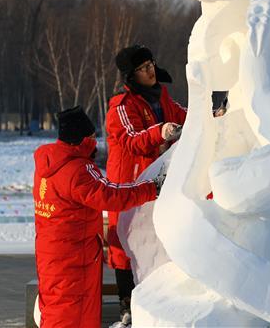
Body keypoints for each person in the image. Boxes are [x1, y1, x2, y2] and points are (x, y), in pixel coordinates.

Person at [33, 106, 163, 328]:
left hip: (51, 255)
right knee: (74, 314)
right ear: (82, 138)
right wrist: (151, 188)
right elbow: (111, 195)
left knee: (57, 309)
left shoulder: (47, 165)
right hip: (75, 259)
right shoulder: (78, 169)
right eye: (92, 136)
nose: (95, 142)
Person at [106, 45, 186, 327]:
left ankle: (156, 300)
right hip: (128, 184)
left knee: (156, 238)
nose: (150, 71)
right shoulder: (122, 106)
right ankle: (126, 305)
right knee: (124, 243)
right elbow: (132, 140)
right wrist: (160, 132)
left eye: (151, 64)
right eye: (143, 68)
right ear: (132, 75)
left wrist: (210, 112)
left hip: (156, 183)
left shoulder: (161, 96)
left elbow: (184, 116)